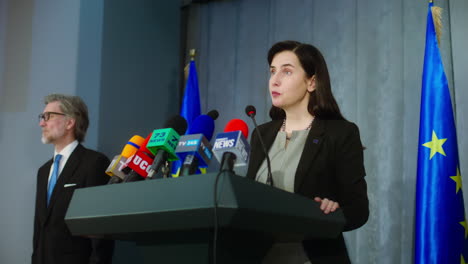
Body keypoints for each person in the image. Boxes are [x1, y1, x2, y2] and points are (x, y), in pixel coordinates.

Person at [246, 41, 369, 264]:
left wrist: (333, 210)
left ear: (312, 82)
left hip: (313, 256)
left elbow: (359, 209)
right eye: (272, 71)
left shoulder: (340, 133)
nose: (275, 80)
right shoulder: (261, 134)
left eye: (287, 71)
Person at [32, 94, 114, 264]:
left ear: (70, 122)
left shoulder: (94, 163)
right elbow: (39, 230)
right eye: (42, 117)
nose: (42, 123)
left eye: (49, 116)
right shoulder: (43, 171)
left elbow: (100, 232)